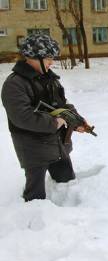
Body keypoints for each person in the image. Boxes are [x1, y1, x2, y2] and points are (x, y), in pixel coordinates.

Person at [1, 34, 90, 202]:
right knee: (35, 194)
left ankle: (70, 208)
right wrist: (55, 122)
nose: (52, 62)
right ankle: (34, 220)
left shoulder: (50, 78)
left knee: (67, 182)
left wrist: (76, 121)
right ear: (32, 57)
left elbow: (62, 105)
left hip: (57, 144)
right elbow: (22, 117)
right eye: (48, 58)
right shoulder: (15, 84)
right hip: (32, 147)